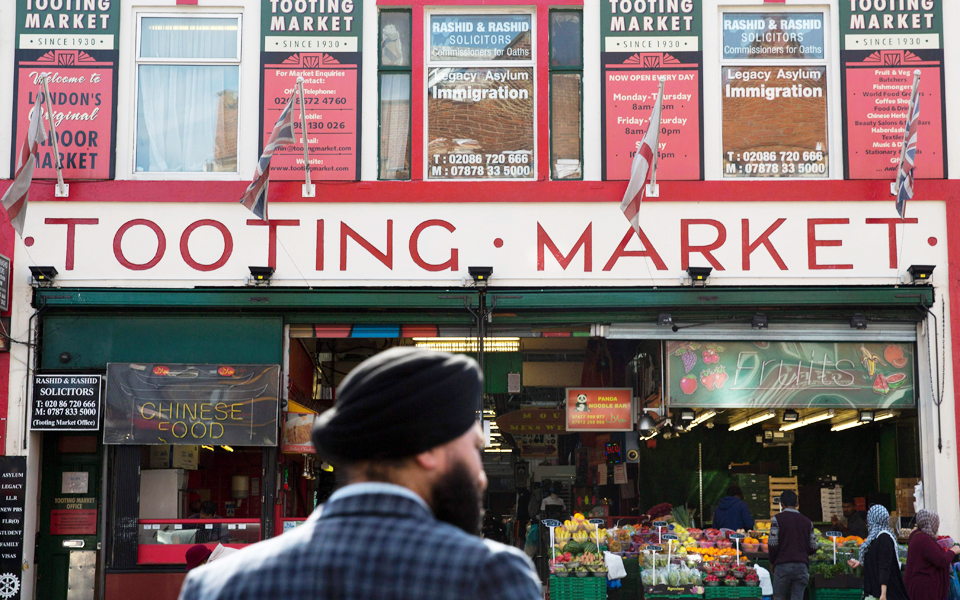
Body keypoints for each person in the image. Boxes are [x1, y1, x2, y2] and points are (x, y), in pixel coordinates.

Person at [179, 347, 542, 600]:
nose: (481, 476)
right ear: (429, 450)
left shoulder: (215, 586)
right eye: (474, 449)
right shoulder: (490, 577)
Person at [847, 505, 908, 600]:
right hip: (875, 590)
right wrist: (860, 563)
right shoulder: (875, 538)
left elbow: (884, 566)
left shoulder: (884, 538)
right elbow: (875, 559)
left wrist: (883, 594)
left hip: (886, 593)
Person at [768, 490, 817, 600]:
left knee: (778, 597)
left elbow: (773, 544)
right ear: (797, 504)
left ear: (782, 504)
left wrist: (772, 562)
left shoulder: (777, 519)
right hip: (801, 567)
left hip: (782, 567)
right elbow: (813, 547)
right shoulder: (808, 522)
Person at [905, 509, 960, 600]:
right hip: (924, 590)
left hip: (917, 586)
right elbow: (941, 560)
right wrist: (953, 551)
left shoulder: (916, 535)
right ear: (931, 523)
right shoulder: (924, 539)